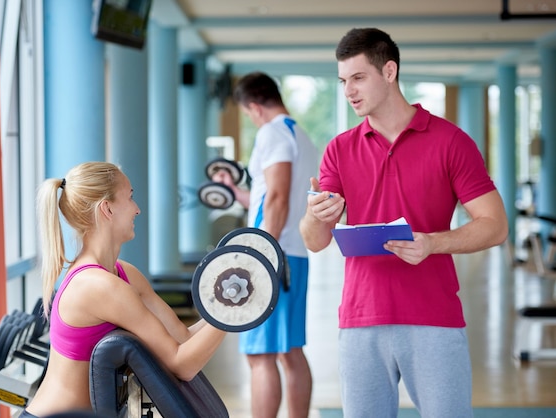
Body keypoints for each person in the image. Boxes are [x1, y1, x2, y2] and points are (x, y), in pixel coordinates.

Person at [299, 28, 508, 418]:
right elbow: (314, 241)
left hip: (434, 317)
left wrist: (432, 243)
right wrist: (314, 216)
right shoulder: (339, 149)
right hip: (361, 320)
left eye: (359, 78)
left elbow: (495, 224)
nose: (349, 91)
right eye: (343, 81)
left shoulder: (450, 142)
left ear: (389, 71)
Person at [21, 162, 226, 417]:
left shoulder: (124, 273)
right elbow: (181, 365)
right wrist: (234, 313)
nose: (137, 209)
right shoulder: (98, 286)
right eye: (130, 197)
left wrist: (224, 306)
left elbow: (182, 339)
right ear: (107, 209)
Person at [211, 72, 318, 418]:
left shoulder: (271, 132)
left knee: (260, 356)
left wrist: (261, 257)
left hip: (274, 256)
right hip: (293, 253)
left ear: (254, 107)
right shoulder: (299, 135)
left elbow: (277, 197)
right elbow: (265, 197)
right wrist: (234, 191)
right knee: (290, 351)